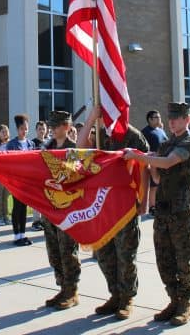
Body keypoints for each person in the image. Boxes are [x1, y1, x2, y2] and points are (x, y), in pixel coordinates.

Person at [124, 102, 190, 326]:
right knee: (164, 258)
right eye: (171, 118)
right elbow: (158, 177)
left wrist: (139, 157)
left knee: (183, 259)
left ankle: (185, 303)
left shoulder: (188, 143)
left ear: (187, 119)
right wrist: (150, 165)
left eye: (177, 118)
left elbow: (167, 163)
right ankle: (174, 299)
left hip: (182, 210)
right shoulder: (167, 144)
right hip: (164, 208)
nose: (172, 122)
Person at [80, 106, 149, 320]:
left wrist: (145, 201)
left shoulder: (133, 136)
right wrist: (91, 119)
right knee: (103, 253)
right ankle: (115, 294)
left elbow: (144, 167)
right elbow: (80, 149)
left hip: (125, 206)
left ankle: (127, 298)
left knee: (125, 254)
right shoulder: (101, 135)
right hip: (103, 206)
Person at [41, 110, 81, 310]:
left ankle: (72, 291)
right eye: (51, 126)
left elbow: (75, 177)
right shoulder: (47, 147)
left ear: (66, 127)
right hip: (49, 208)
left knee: (67, 250)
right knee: (53, 250)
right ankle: (62, 287)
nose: (51, 129)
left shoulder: (73, 150)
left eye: (55, 126)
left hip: (66, 209)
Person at [5, 113, 35, 246]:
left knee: (24, 207)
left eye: (26, 128)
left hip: (27, 181)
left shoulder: (31, 144)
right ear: (17, 129)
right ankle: (16, 235)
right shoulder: (11, 144)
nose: (25, 131)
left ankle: (23, 234)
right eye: (22, 128)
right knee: (17, 207)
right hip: (16, 181)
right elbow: (9, 163)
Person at [142, 110, 168, 216]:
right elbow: (143, 148)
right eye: (156, 117)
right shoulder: (145, 132)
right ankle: (152, 207)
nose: (159, 119)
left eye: (159, 117)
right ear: (150, 119)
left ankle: (158, 204)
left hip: (163, 161)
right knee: (152, 186)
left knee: (160, 184)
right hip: (152, 162)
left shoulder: (161, 130)